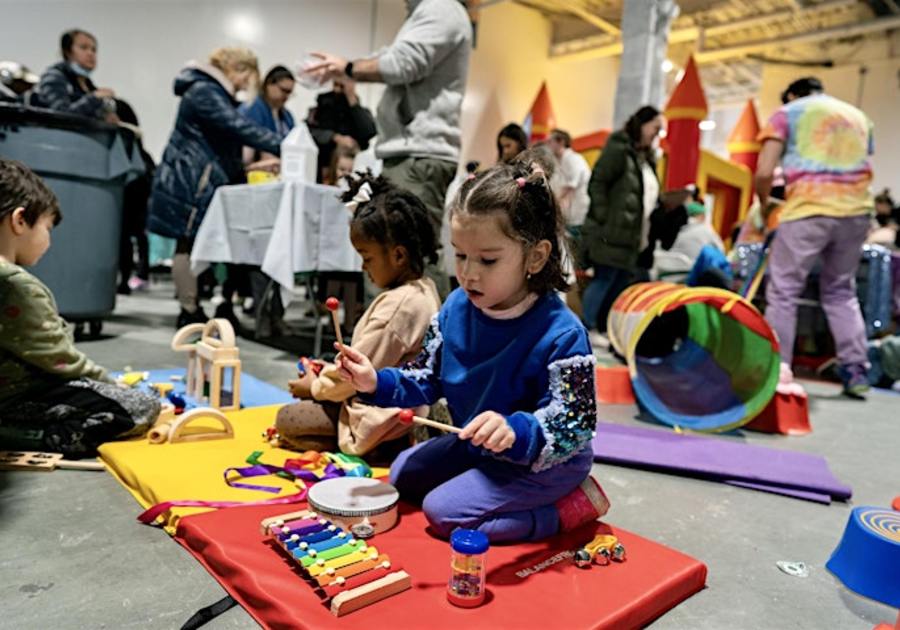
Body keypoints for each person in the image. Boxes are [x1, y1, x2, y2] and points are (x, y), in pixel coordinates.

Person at [334, 159, 610, 543]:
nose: (468, 273)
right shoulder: (455, 308)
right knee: (403, 475)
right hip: (479, 448)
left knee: (444, 513)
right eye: (460, 255)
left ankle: (570, 508)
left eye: (488, 259)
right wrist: (374, 381)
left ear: (535, 256)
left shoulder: (562, 333)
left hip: (544, 463)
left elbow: (575, 423)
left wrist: (514, 431)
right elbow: (426, 377)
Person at [306, 0, 472, 294]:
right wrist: (346, 69)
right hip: (413, 154)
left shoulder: (440, 8)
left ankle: (432, 338)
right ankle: (402, 336)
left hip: (418, 154)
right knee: (401, 255)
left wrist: (347, 67)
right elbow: (393, 57)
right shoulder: (433, 11)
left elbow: (401, 63)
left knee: (410, 258)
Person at [0, 159, 159, 457]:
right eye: (48, 228)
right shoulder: (17, 285)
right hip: (16, 397)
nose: (49, 241)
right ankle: (32, 435)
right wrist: (110, 384)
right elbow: (61, 360)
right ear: (20, 220)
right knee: (140, 406)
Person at [274, 173, 441, 457]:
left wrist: (315, 387)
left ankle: (383, 445)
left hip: (382, 417)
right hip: (391, 403)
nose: (364, 268)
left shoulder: (400, 307)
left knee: (288, 419)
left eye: (367, 258)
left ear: (398, 256)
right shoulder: (422, 289)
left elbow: (353, 376)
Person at [147, 47, 283, 329]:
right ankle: (189, 308)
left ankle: (198, 306)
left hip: (198, 176)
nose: (245, 86)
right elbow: (237, 127)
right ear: (237, 69)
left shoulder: (209, 91)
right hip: (191, 178)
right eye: (246, 79)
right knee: (186, 241)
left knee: (197, 242)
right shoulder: (204, 91)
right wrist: (285, 143)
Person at [756, 77, 875, 398]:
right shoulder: (858, 117)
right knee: (840, 291)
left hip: (808, 208)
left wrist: (764, 203)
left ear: (792, 94)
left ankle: (777, 370)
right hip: (856, 212)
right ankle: (856, 370)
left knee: (784, 291)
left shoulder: (787, 113)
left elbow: (765, 171)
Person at [580, 105, 663, 333]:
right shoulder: (619, 148)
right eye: (655, 128)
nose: (657, 134)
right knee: (604, 279)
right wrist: (603, 217)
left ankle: (601, 328)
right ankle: (587, 327)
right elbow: (598, 182)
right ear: (642, 124)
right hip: (610, 232)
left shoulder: (644, 157)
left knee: (617, 283)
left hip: (632, 236)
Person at [34, 29, 118, 123]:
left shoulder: (89, 87)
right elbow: (61, 116)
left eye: (93, 50)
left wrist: (104, 119)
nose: (90, 53)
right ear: (68, 52)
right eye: (83, 47)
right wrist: (94, 98)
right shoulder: (54, 77)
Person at [115, 99, 153, 294]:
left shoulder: (121, 138)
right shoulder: (138, 144)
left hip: (127, 194)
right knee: (137, 236)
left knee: (124, 237)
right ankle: (137, 275)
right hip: (139, 194)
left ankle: (126, 279)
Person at [306, 78, 376, 184]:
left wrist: (351, 98)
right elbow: (309, 131)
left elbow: (370, 131)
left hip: (353, 167)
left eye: (342, 86)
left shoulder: (358, 111)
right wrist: (335, 137)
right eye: (336, 85)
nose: (338, 90)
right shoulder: (323, 105)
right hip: (326, 168)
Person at [239, 65, 296, 166]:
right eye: (284, 90)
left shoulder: (287, 116)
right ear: (269, 84)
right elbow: (246, 154)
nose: (287, 96)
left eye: (290, 93)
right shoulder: (252, 109)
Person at [547, 129, 591, 232]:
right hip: (567, 217)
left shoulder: (573, 159)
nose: (548, 145)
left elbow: (570, 186)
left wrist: (553, 203)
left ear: (561, 142)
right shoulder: (559, 162)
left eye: (550, 141)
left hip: (577, 216)